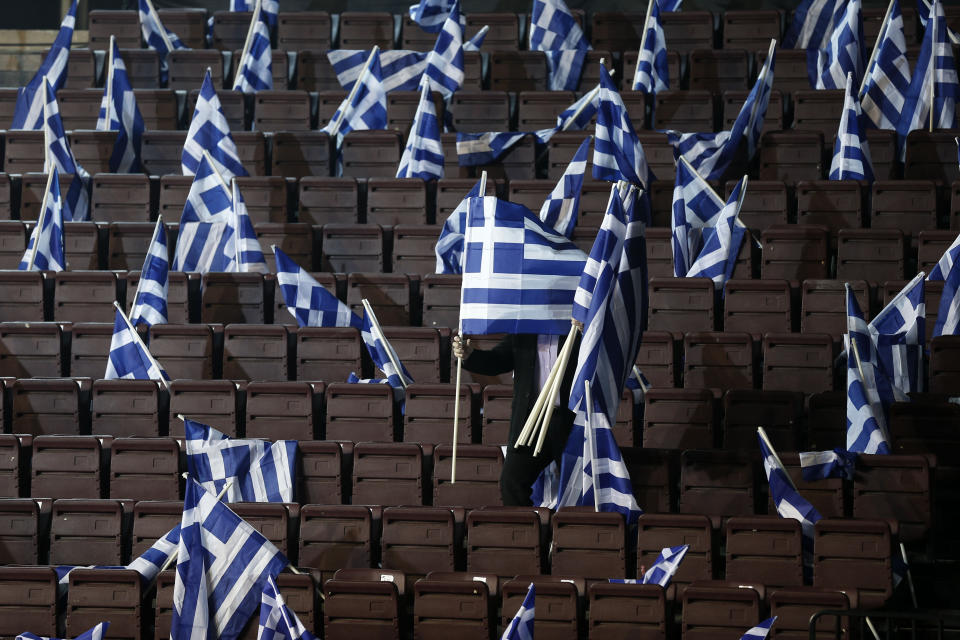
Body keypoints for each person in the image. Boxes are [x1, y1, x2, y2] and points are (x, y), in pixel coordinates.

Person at [452, 324, 581, 506]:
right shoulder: (524, 328)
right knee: (511, 484)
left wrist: (585, 330)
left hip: (571, 421)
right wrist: (469, 355)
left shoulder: (580, 328)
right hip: (531, 420)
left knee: (580, 487)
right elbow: (498, 360)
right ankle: (528, 533)